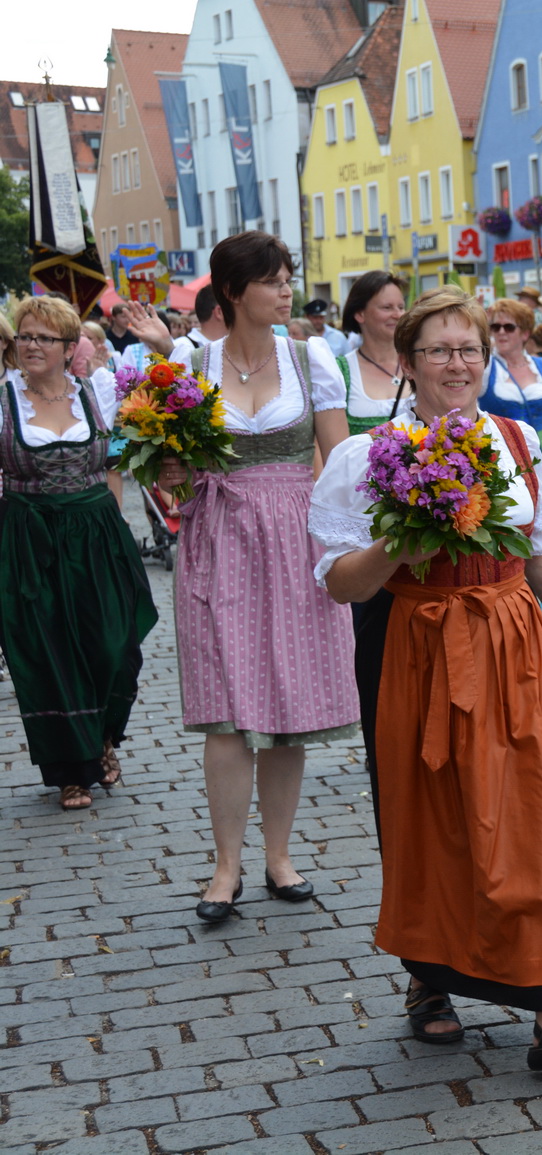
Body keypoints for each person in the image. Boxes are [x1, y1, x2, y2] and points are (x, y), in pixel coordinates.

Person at [311, 286, 542, 1065]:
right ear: (407, 363)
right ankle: (430, 979)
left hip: (515, 645)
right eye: (441, 349)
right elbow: (341, 582)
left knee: (541, 813)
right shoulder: (368, 455)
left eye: (471, 349)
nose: (458, 362)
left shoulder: (515, 442)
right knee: (431, 815)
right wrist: (400, 547)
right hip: (418, 646)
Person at [153, 231, 360, 925]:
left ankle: (279, 856)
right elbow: (165, 465)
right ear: (235, 291)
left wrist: (344, 543)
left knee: (289, 708)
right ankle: (226, 865)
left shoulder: (312, 358)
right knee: (227, 710)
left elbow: (338, 458)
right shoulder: (190, 361)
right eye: (274, 281)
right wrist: (172, 475)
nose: (287, 291)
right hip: (219, 537)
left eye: (288, 278)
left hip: (297, 538)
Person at [0, 299, 156, 811]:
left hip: (97, 534)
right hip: (30, 538)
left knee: (114, 647)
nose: (31, 345)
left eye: (44, 338)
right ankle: (74, 769)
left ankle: (104, 736)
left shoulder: (102, 392)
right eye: (25, 336)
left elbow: (123, 460)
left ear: (70, 348)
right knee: (49, 656)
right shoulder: (2, 400)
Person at [482, 298, 542, 443]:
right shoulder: (485, 367)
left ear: (525, 333)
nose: (501, 332)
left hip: (541, 456)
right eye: (496, 327)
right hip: (497, 458)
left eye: (509, 327)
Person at [336, 271, 409, 434]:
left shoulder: (419, 364)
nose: (397, 315)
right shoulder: (340, 371)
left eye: (401, 307)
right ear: (360, 314)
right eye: (387, 307)